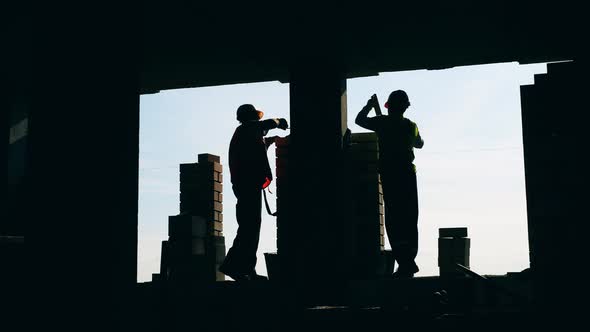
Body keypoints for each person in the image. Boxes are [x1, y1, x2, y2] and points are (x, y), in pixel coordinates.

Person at [355, 90, 424, 278]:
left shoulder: (382, 122)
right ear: (405, 107)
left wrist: (369, 106)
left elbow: (359, 120)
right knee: (410, 218)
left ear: (389, 106)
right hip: (408, 176)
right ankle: (408, 260)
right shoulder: (411, 126)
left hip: (391, 175)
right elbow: (420, 144)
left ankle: (405, 263)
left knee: (395, 218)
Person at [219, 104, 289, 281]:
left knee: (250, 227)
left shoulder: (245, 135)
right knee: (249, 228)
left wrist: (269, 141)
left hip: (246, 186)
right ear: (252, 117)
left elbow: (255, 151)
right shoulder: (249, 128)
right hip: (248, 186)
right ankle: (235, 267)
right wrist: (279, 121)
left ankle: (245, 268)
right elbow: (266, 125)